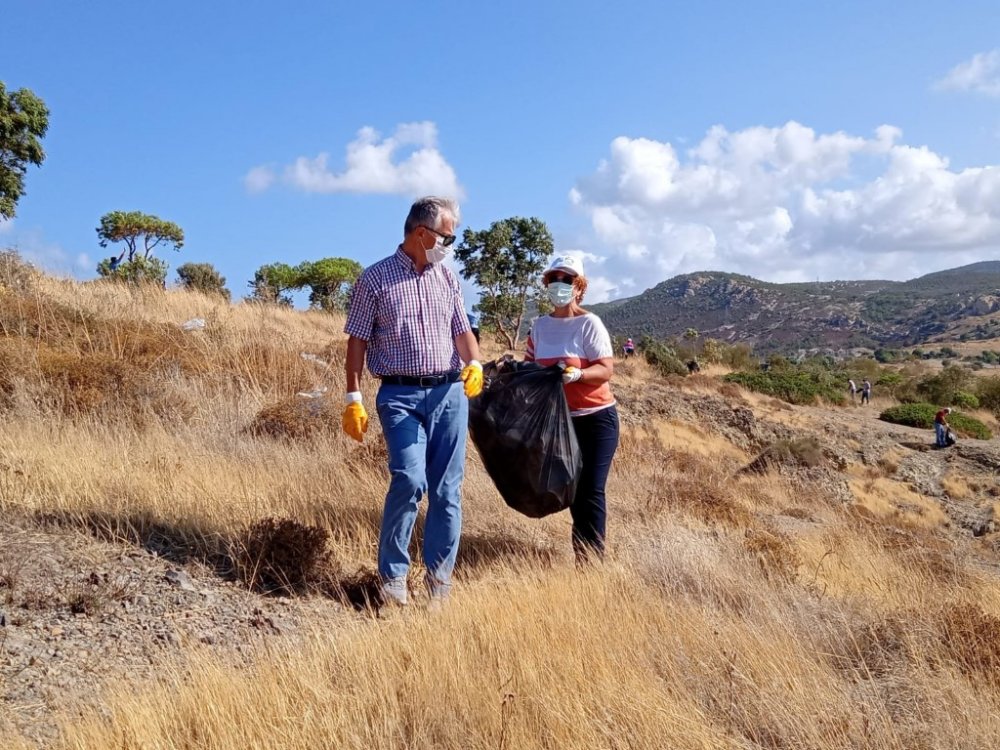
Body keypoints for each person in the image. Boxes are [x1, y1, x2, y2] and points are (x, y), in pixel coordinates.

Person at [342, 196, 483, 608]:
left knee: (448, 492)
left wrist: (474, 363)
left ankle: (439, 586)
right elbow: (357, 341)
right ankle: (393, 580)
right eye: (447, 235)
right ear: (421, 233)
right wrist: (353, 398)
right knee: (409, 478)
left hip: (449, 394)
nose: (450, 244)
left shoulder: (447, 278)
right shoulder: (375, 280)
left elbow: (462, 329)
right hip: (399, 396)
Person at [525, 255, 619, 562]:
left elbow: (605, 370)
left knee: (591, 489)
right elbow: (528, 369)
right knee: (572, 489)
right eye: (554, 279)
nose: (559, 285)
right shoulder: (539, 327)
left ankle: (590, 560)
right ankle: (583, 554)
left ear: (579, 287)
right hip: (559, 423)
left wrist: (578, 374)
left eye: (567, 280)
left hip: (596, 420)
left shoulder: (589, 324)